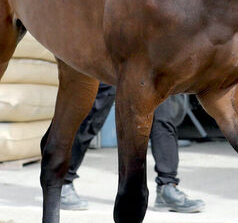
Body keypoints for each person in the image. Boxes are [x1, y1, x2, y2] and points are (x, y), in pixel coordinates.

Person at [60, 83, 205, 213]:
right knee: (97, 111)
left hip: (151, 58)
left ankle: (167, 186)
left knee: (163, 116)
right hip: (116, 57)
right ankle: (62, 179)